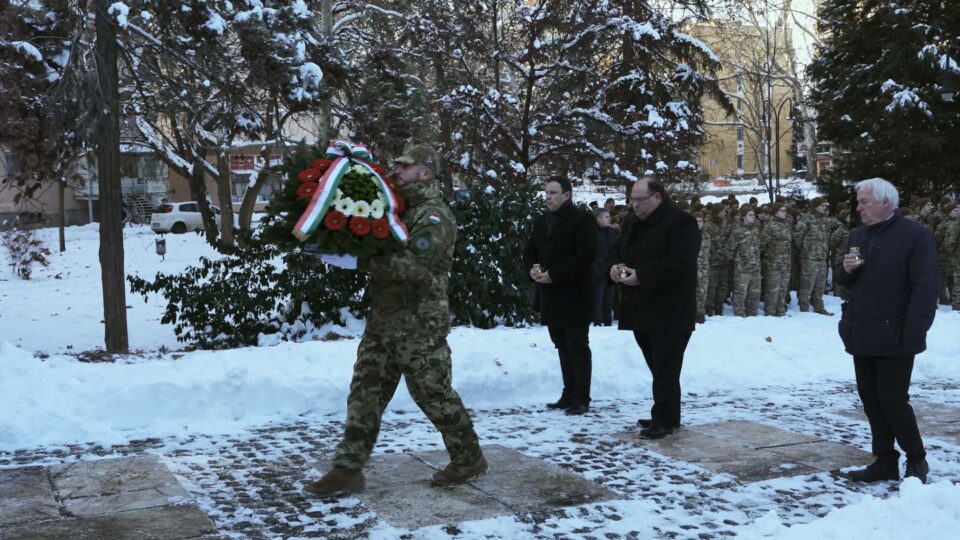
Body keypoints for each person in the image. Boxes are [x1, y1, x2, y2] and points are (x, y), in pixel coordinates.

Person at [304, 143, 486, 497]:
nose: (397, 171)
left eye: (405, 166)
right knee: (365, 394)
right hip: (384, 322)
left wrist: (356, 259)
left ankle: (469, 458)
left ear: (425, 172)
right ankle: (347, 468)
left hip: (419, 326)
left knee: (433, 395)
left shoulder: (434, 216)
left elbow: (414, 267)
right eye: (397, 165)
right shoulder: (394, 210)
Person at [837, 178, 939, 484]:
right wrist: (846, 270)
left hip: (896, 333)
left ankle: (916, 459)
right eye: (858, 202)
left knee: (893, 402)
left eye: (864, 202)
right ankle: (884, 461)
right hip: (862, 331)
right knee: (871, 402)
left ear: (886, 202)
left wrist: (915, 333)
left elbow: (925, 289)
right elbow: (843, 280)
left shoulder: (914, 236)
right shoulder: (858, 234)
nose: (859, 208)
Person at [608, 177, 700, 439]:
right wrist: (614, 266)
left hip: (671, 309)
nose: (634, 205)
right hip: (640, 308)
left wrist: (642, 276)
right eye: (632, 200)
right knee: (657, 366)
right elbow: (617, 249)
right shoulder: (633, 221)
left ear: (657, 197)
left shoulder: (682, 222)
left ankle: (664, 419)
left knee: (666, 367)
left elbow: (679, 261)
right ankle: (667, 412)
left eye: (640, 200)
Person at [523, 176, 597, 415]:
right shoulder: (541, 220)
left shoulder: (582, 219)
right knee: (561, 345)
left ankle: (581, 397)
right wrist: (532, 269)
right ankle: (568, 394)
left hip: (575, 294)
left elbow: (586, 255)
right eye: (546, 193)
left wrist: (554, 274)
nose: (548, 197)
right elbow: (530, 250)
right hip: (550, 294)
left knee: (577, 345)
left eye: (553, 193)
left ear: (567, 195)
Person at [794, 197, 833, 314]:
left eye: (825, 205)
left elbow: (827, 237)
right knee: (807, 284)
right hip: (809, 258)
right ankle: (804, 308)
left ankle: (819, 307)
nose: (825, 207)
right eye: (822, 205)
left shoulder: (825, 220)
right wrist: (805, 250)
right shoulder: (806, 219)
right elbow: (797, 237)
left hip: (822, 257)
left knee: (820, 284)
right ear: (815, 206)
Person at [594, 208, 618, 326]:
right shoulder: (592, 232)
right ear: (598, 218)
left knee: (609, 298)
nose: (609, 219)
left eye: (609, 217)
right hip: (597, 271)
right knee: (598, 299)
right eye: (606, 217)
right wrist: (596, 270)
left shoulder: (611, 232)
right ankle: (597, 321)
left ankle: (608, 321)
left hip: (610, 271)